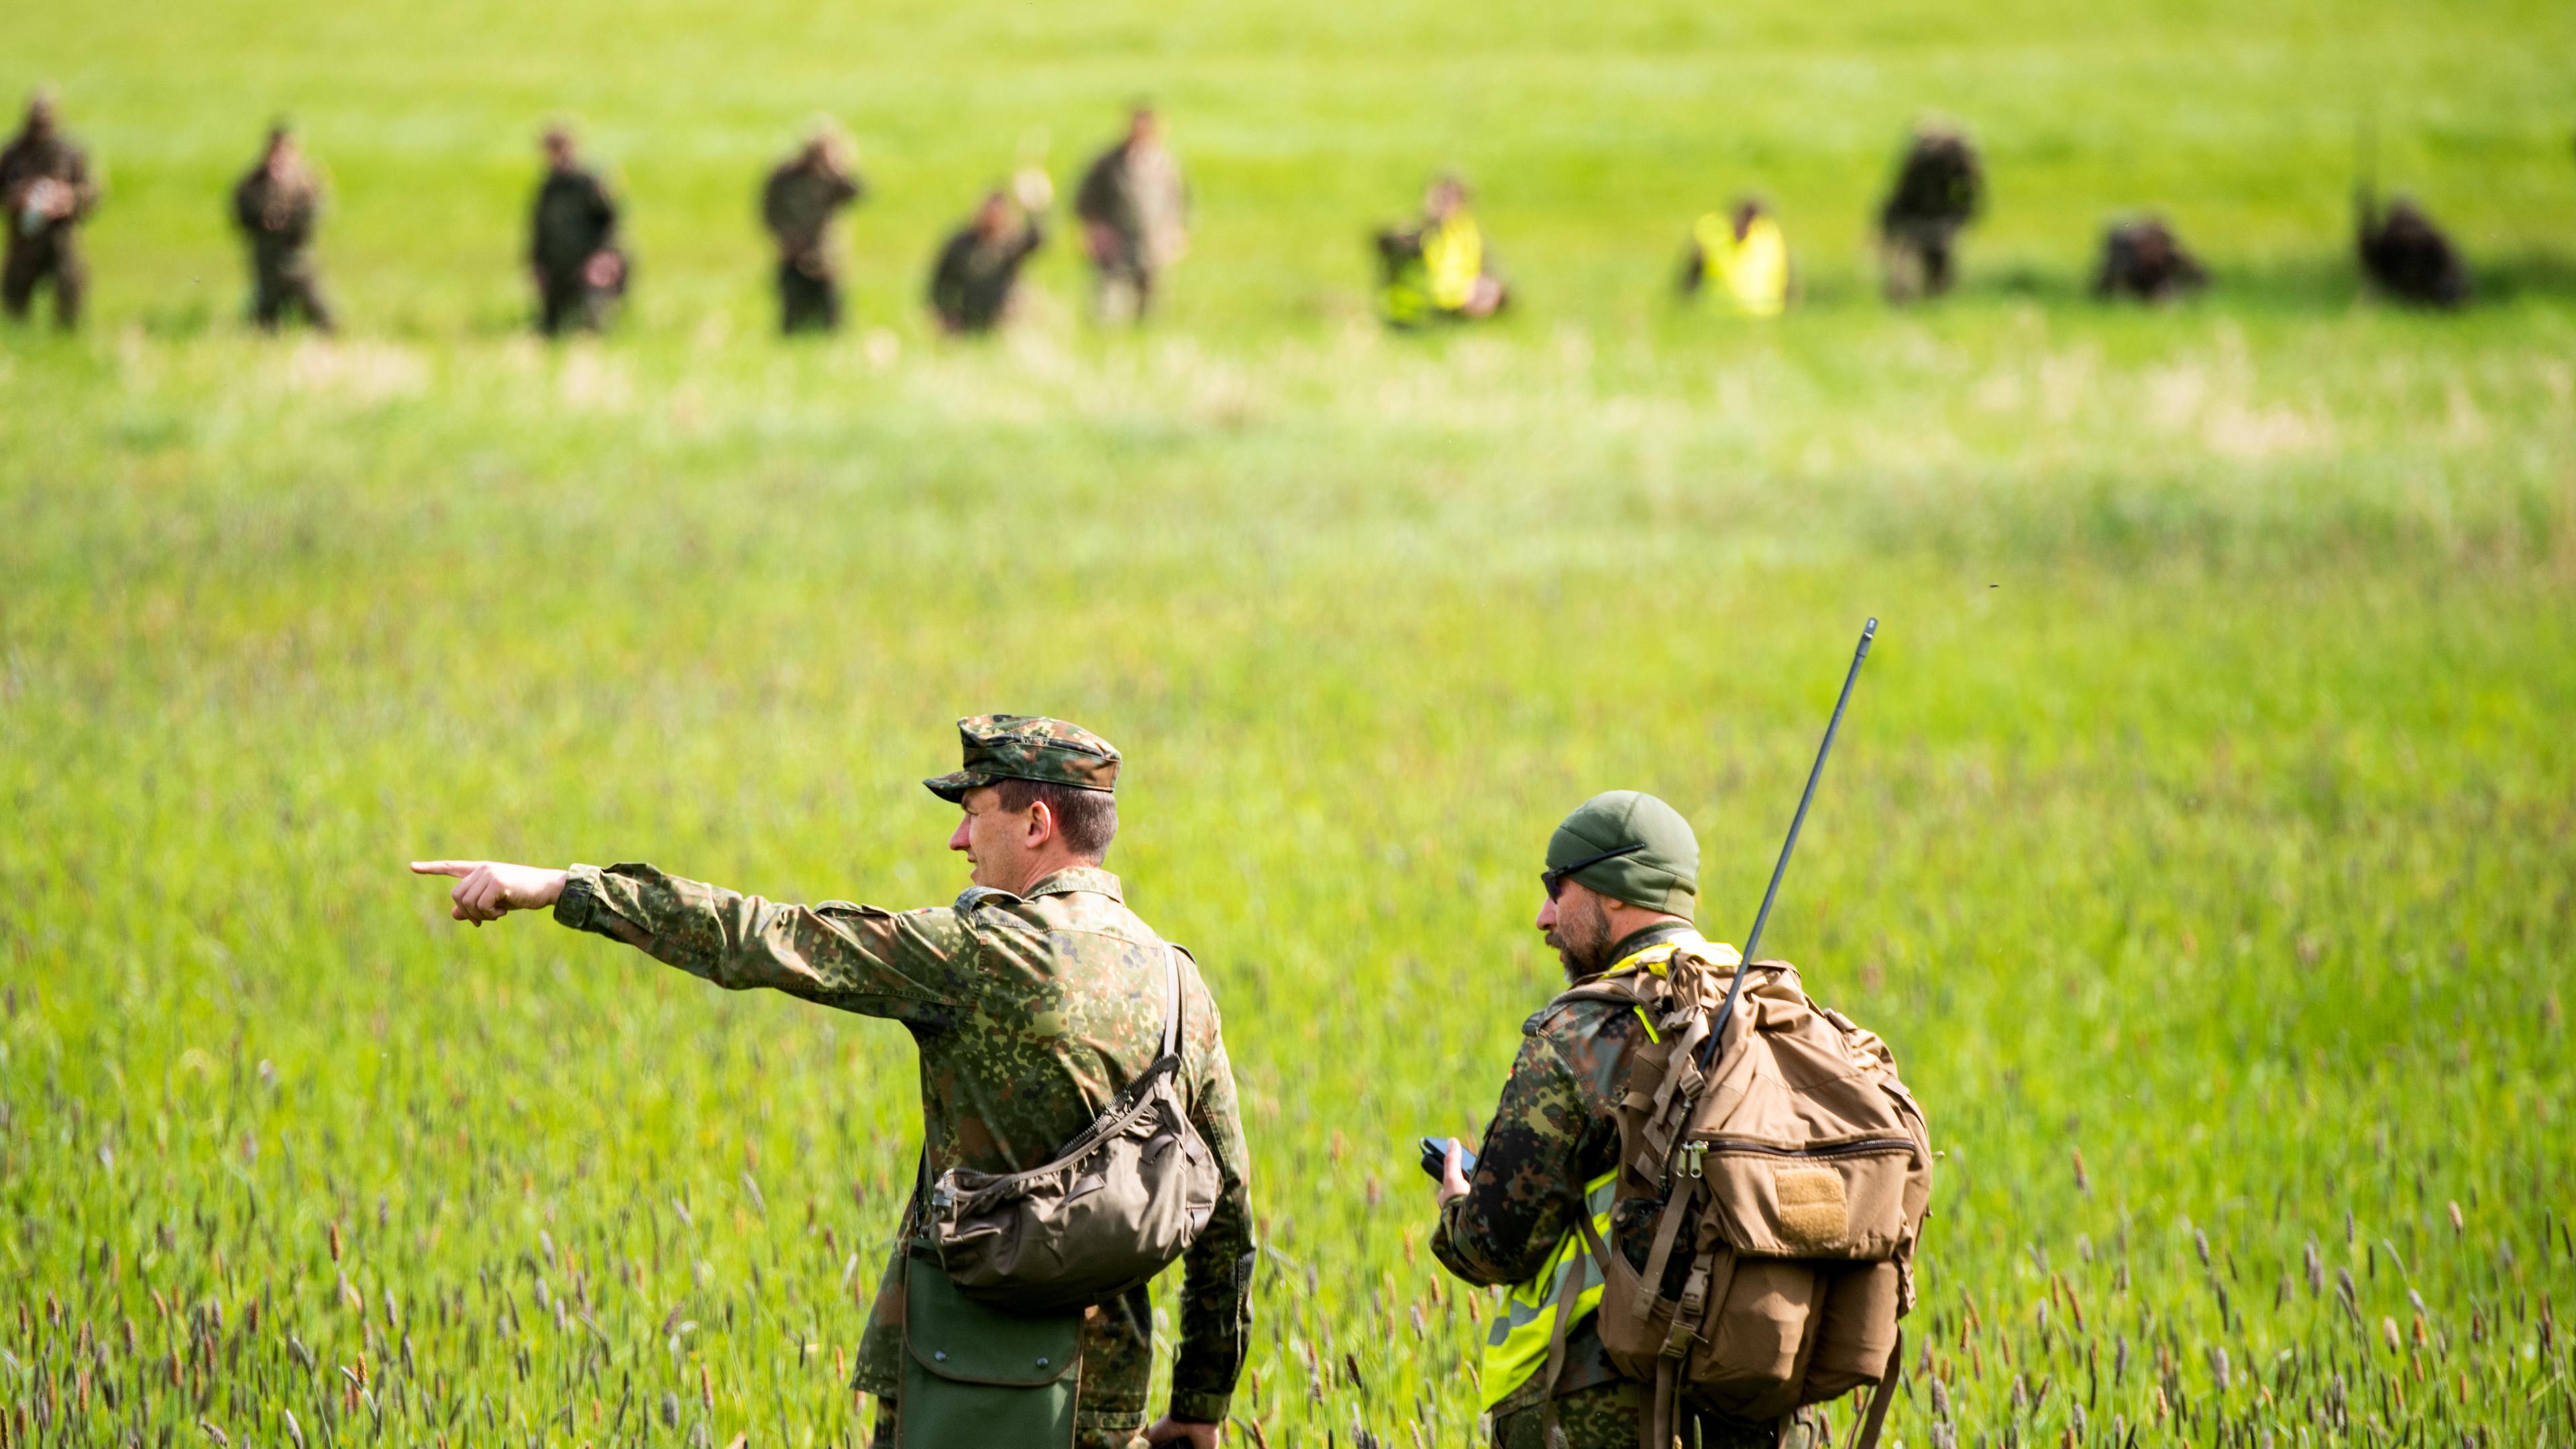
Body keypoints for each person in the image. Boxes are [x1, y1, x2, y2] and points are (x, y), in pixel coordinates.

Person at [410, 715, 1254, 1449]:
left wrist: (565, 888)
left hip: (962, 1377)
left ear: (1036, 822)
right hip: (1106, 1395)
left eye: (973, 814)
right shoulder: (1182, 986)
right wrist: (1201, 1404)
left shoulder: (981, 955)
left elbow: (766, 937)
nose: (958, 841)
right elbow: (1227, 1211)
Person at [1430, 792, 1780, 1449]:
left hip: (1602, 1403)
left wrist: (1457, 1206)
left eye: (1557, 887)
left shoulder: (1581, 1032)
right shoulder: (1769, 1017)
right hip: (1757, 1407)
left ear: (1618, 891)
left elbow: (1495, 1244)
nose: (1543, 917)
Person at [1073, 105, 1188, 322]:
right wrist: (1095, 230)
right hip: (1116, 243)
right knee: (1109, 304)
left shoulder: (1167, 164)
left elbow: (1179, 202)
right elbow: (1085, 201)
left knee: (1152, 306)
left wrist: (1174, 233)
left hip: (1152, 244)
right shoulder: (1108, 163)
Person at [1, 90, 101, 330]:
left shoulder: (72, 153)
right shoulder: (12, 154)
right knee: (13, 299)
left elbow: (94, 191)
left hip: (61, 238)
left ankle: (66, 340)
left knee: (70, 285)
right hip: (24, 240)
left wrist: (69, 199)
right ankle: (17, 344)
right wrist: (16, 197)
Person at [231, 123, 336, 332]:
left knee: (319, 308)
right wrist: (263, 220)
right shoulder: (255, 181)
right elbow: (241, 211)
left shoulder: (305, 180)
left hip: (297, 256)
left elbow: (316, 210)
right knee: (266, 311)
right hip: (267, 257)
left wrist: (290, 221)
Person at [763, 125, 866, 335]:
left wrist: (838, 168)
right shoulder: (786, 176)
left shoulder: (830, 178)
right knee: (793, 319)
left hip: (825, 260)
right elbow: (768, 210)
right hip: (793, 257)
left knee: (832, 322)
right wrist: (785, 237)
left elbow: (858, 193)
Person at [927, 168, 1052, 334]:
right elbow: (939, 284)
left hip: (1004, 319)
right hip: (967, 320)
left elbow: (1038, 240)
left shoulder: (1011, 243)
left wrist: (1034, 206)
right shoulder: (962, 244)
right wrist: (945, 315)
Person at [1375, 174, 1508, 327]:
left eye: (1450, 200)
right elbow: (1385, 242)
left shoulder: (1467, 233)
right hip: (1420, 313)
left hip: (1455, 306)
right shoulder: (1416, 233)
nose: (1444, 206)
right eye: (1440, 199)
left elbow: (1490, 272)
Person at [528, 125, 625, 335]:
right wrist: (536, 264)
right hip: (557, 269)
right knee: (549, 329)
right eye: (551, 149)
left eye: (560, 147)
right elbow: (538, 229)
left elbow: (610, 222)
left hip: (591, 266)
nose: (556, 154)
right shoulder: (549, 187)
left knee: (593, 326)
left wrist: (602, 257)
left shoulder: (590, 182)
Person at [1876, 124, 1982, 301]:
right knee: (1927, 272)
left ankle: (1923, 302)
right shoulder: (1953, 157)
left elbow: (1899, 196)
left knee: (1924, 272)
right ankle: (1924, 301)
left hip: (1925, 221)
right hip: (1926, 220)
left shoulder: (1922, 157)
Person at [2356, 191, 2469, 308]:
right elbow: (2373, 266)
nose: (2408, 233)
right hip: (2404, 292)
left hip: (2429, 292)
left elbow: (2452, 275)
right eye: (2404, 226)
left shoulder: (2433, 244)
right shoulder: (2388, 247)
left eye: (2410, 226)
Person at [1678, 199, 1790, 317]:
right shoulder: (1713, 236)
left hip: (1763, 315)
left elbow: (1788, 279)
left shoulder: (1771, 239)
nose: (1746, 227)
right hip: (1717, 314)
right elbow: (1690, 277)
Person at [2092, 215, 2207, 303]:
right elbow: (2106, 285)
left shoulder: (2168, 260)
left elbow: (2197, 277)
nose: (2146, 250)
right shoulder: (2124, 259)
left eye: (2148, 245)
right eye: (2141, 246)